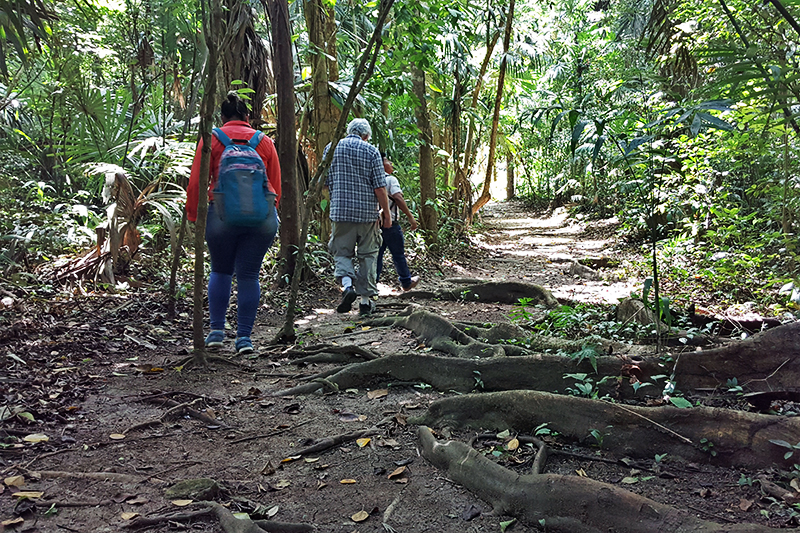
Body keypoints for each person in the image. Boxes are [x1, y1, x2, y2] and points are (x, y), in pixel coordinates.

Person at [186, 92, 281, 354]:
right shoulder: (265, 143)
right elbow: (275, 188)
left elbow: (196, 183)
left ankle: (216, 332)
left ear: (223, 117)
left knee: (220, 270)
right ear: (247, 117)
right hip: (261, 218)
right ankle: (244, 339)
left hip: (221, 215)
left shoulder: (212, 140)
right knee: (249, 275)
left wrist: (194, 216)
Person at [324, 118, 391, 315]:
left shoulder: (332, 148)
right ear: (366, 136)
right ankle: (364, 302)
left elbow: (325, 182)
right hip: (367, 214)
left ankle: (347, 287)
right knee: (368, 255)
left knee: (342, 252)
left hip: (340, 212)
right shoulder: (371, 151)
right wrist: (386, 214)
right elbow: (380, 187)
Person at [376, 153, 420, 291]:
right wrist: (410, 217)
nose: (391, 164)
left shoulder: (370, 179)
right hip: (391, 224)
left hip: (374, 224)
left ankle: (371, 284)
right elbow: (398, 198)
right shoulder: (390, 180)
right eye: (388, 161)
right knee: (398, 254)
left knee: (376, 255)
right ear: (382, 163)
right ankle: (406, 282)